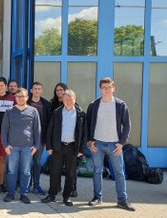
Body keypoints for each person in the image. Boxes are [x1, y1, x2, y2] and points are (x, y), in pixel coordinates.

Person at [86, 77, 135, 211]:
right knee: (97, 171)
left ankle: (122, 200)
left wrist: (121, 143)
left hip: (115, 145)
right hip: (98, 143)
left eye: (109, 87)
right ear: (100, 89)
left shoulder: (120, 105)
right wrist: (90, 141)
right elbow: (88, 123)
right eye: (104, 87)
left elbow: (127, 125)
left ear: (113, 88)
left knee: (119, 172)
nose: (107, 90)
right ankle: (97, 197)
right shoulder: (94, 105)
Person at [41, 90, 87, 206]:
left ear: (75, 100)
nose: (68, 101)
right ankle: (52, 194)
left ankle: (66, 197)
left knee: (71, 174)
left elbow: (84, 133)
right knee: (55, 172)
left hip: (72, 147)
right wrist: (49, 146)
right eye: (66, 99)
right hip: (58, 146)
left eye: (71, 99)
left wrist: (82, 149)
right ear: (63, 100)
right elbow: (50, 130)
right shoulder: (57, 112)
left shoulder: (80, 114)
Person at [1, 88, 40, 204]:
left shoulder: (33, 111)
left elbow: (37, 130)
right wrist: (5, 145)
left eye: (23, 96)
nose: (20, 98)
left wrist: (36, 146)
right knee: (11, 171)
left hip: (28, 148)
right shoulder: (9, 111)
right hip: (12, 147)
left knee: (26, 172)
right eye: (18, 96)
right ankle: (11, 193)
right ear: (15, 98)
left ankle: (24, 194)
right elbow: (4, 130)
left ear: (27, 97)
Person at [27, 81, 52, 195]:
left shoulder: (46, 104)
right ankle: (26, 185)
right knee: (27, 163)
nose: (37, 91)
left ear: (41, 91)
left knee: (37, 162)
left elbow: (49, 124)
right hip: (26, 139)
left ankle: (36, 185)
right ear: (31, 91)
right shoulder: (26, 102)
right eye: (35, 89)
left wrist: (47, 140)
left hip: (40, 139)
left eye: (39, 89)